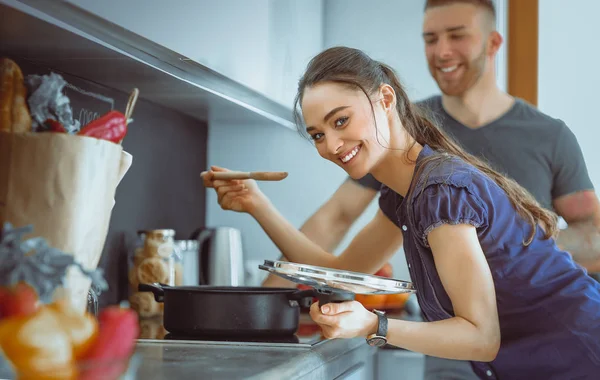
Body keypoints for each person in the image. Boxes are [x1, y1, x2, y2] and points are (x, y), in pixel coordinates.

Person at [203, 46, 600, 379]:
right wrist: (256, 204)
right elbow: (344, 270)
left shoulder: (437, 189)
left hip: (581, 352)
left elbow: (481, 337)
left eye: (341, 120)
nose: (332, 145)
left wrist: (375, 326)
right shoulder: (405, 193)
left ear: (386, 100)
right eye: (319, 135)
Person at [262, 0, 600, 294]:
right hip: (449, 343)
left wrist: (511, 245)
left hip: (541, 344)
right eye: (431, 39)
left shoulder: (549, 135)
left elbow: (593, 233)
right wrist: (269, 299)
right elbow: (336, 218)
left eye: (457, 35)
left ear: (493, 43)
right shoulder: (402, 130)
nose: (441, 51)